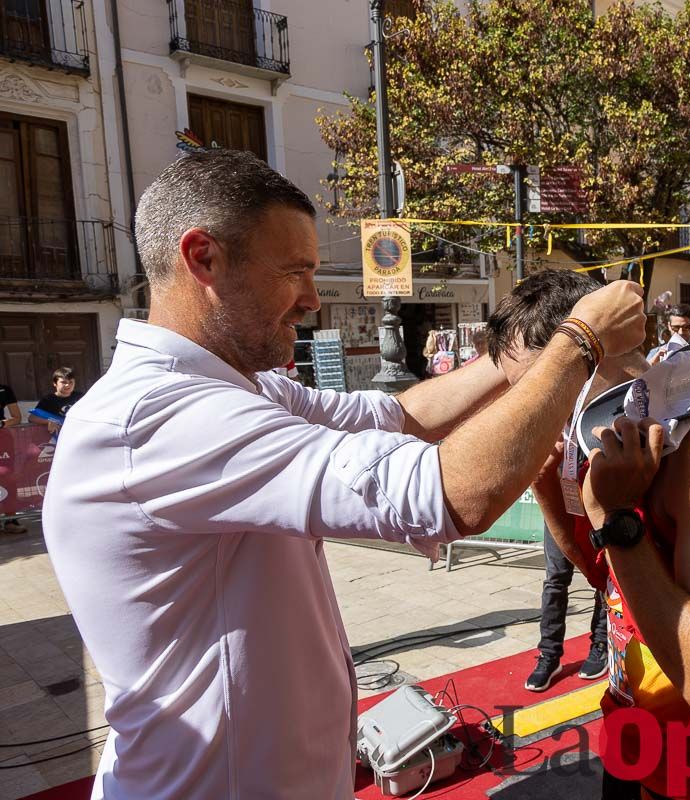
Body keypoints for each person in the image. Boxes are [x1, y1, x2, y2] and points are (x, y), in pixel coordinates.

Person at [40, 150, 648, 799]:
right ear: (203, 259)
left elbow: (395, 415)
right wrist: (579, 341)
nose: (312, 297)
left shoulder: (240, 389)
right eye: (295, 271)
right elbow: (447, 494)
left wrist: (513, 361)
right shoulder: (159, 418)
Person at [488, 270, 690, 800]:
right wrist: (549, 487)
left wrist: (614, 514)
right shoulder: (602, 443)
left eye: (535, 389)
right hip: (631, 729)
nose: (524, 412)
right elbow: (606, 578)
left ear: (590, 365)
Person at [525, 527, 609, 692]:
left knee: (602, 575)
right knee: (555, 580)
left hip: (594, 511)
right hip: (559, 509)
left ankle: (601, 645)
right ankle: (549, 655)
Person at [0, 381, 25, 534]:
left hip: (3, 439)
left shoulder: (5, 389)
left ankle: (10, 520)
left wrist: (3, 423)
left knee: (8, 477)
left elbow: (17, 417)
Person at [32, 367, 85, 433]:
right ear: (55, 383)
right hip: (58, 438)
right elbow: (32, 418)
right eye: (63, 382)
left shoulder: (81, 397)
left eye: (71, 382)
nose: (67, 385)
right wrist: (49, 422)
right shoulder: (48, 399)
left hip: (80, 433)